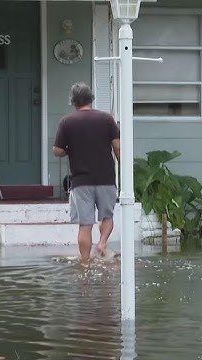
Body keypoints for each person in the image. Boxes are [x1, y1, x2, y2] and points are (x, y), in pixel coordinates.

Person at [53, 82, 121, 262]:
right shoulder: (107, 119)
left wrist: (70, 149)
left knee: (85, 225)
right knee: (107, 216)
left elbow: (57, 150)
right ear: (91, 99)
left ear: (73, 102)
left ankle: (85, 263)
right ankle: (103, 243)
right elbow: (118, 148)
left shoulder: (67, 122)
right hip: (106, 179)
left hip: (81, 181)